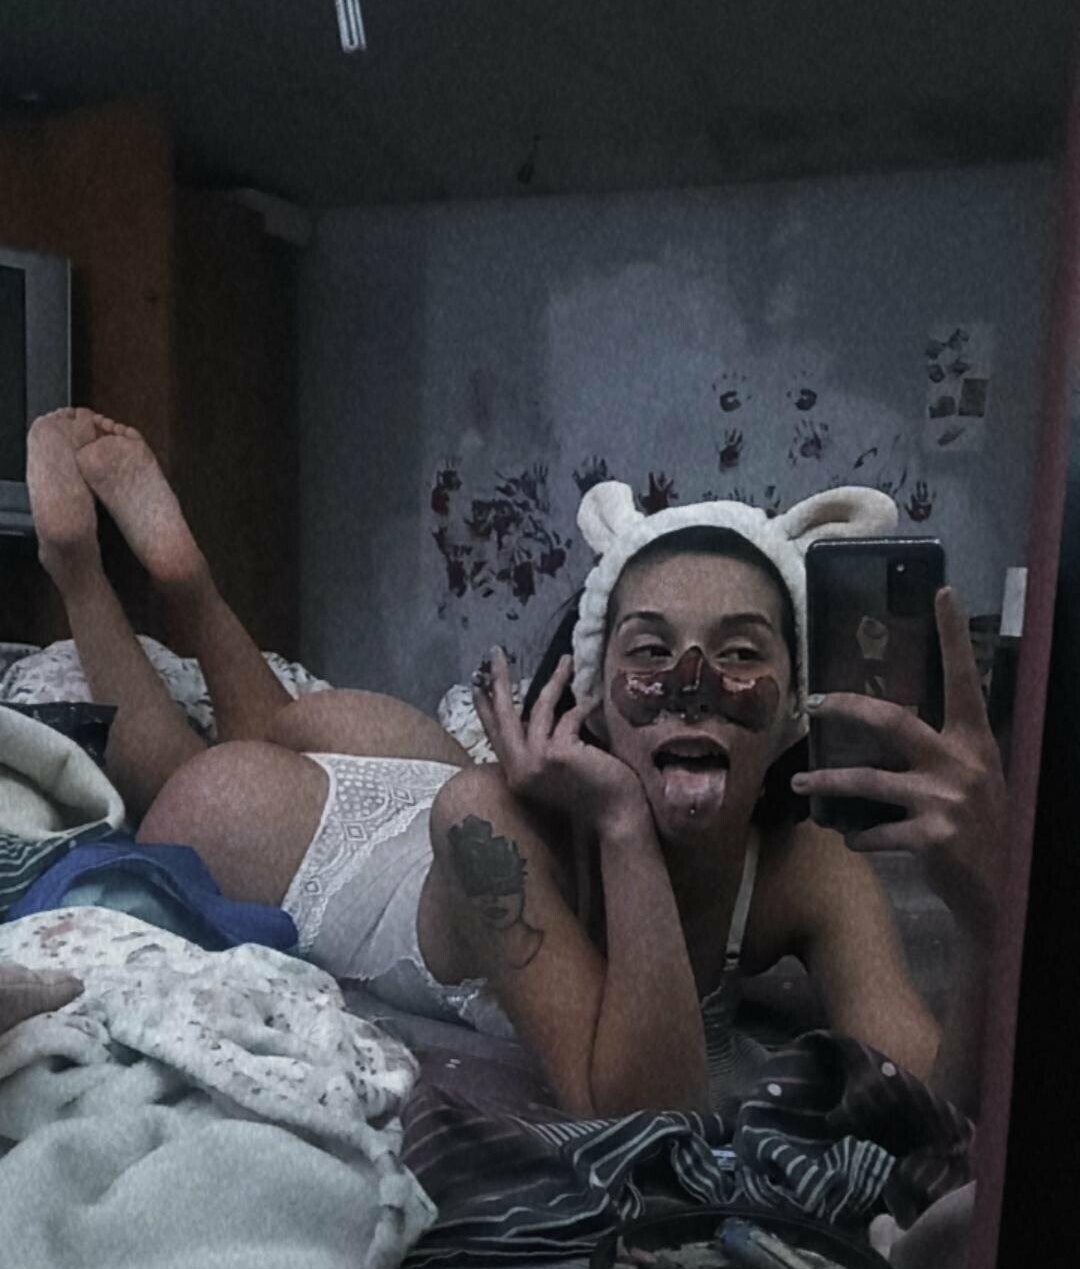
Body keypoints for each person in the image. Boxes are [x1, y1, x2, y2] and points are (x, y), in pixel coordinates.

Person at [26, 408, 1006, 1123]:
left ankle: (190, 586)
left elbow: (933, 1098)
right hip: (337, 846)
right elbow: (638, 1109)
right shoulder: (486, 818)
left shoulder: (810, 868)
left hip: (414, 772)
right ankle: (85, 565)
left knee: (293, 722)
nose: (692, 687)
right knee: (193, 782)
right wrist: (622, 824)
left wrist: (985, 917)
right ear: (595, 697)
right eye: (650, 652)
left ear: (794, 710)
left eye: (741, 653)